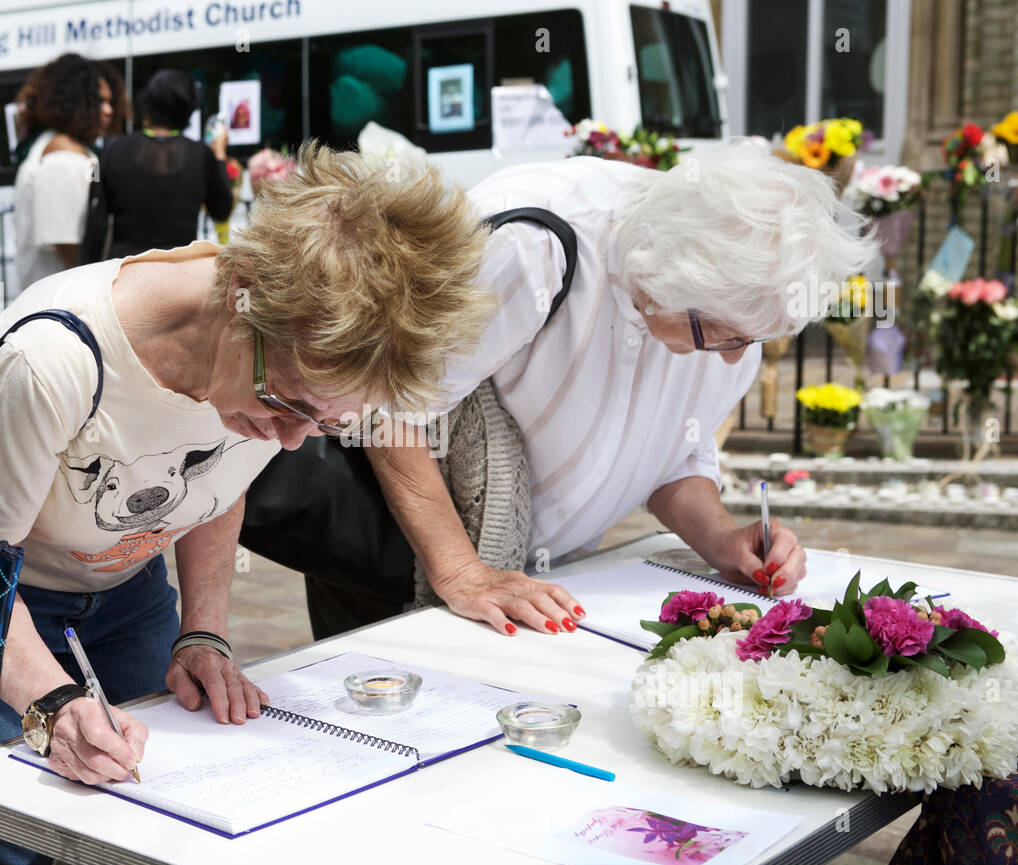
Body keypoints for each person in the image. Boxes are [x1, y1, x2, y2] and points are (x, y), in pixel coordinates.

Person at [0, 144, 494, 864]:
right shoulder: (51, 361)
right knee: (30, 835)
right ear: (241, 296)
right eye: (286, 404)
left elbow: (214, 486)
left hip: (128, 594)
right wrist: (52, 706)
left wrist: (205, 632)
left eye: (328, 425)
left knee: (160, 830)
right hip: (0, 603)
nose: (290, 442)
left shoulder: (270, 364)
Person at [300, 140, 877, 638]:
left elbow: (673, 456)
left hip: (532, 578)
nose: (733, 360)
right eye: (715, 336)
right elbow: (391, 408)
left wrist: (722, 538)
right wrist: (460, 571)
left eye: (752, 342)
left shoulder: (734, 307)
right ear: (660, 277)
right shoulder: (532, 245)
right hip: (399, 558)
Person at [12, 53, 122, 289]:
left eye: (110, 102)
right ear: (75, 103)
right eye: (100, 102)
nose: (109, 111)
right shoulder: (63, 156)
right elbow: (66, 244)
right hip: (63, 301)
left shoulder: (71, 149)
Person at [102, 69, 235, 258]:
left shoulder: (114, 150)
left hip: (124, 271)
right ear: (188, 111)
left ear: (147, 104)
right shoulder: (200, 155)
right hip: (178, 273)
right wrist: (219, 152)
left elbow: (98, 223)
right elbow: (222, 211)